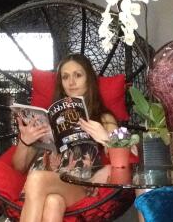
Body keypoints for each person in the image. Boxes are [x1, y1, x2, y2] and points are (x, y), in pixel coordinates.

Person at [12, 53, 119, 222]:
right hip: (45, 188)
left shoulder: (103, 118)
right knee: (53, 203)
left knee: (36, 179)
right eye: (65, 77)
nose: (71, 82)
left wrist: (105, 138)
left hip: (77, 185)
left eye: (78, 75)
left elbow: (122, 160)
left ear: (89, 79)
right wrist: (25, 141)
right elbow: (19, 167)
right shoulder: (46, 118)